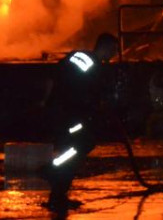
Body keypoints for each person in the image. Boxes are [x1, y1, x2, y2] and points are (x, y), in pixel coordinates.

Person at [42, 33, 119, 212]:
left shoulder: (77, 55)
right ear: (106, 47)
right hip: (71, 116)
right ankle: (51, 171)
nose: (114, 54)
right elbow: (90, 96)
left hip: (58, 111)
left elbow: (54, 76)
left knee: (71, 150)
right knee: (81, 145)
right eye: (114, 50)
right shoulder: (95, 68)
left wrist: (45, 103)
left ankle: (57, 196)